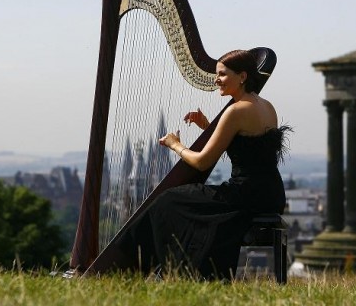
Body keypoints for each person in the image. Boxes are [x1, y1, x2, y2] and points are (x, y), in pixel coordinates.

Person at [113, 49, 290, 279]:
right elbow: (247, 148)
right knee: (185, 202)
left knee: (169, 201)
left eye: (222, 75)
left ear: (243, 77)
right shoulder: (266, 106)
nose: (216, 80)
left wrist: (175, 144)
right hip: (270, 194)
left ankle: (152, 268)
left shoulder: (235, 111)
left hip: (245, 195)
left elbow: (202, 161)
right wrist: (207, 126)